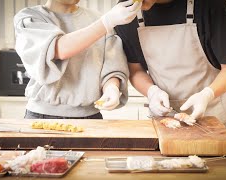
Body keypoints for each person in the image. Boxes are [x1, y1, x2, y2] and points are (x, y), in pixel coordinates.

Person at [115, 0, 226, 129]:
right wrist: (152, 92)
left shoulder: (209, 4)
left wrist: (206, 95)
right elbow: (136, 69)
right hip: (164, 118)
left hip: (213, 113)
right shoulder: (125, 11)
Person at [13, 0, 142, 119]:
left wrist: (111, 88)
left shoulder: (98, 19)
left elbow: (111, 65)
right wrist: (105, 23)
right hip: (42, 116)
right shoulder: (29, 18)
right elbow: (59, 49)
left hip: (91, 116)